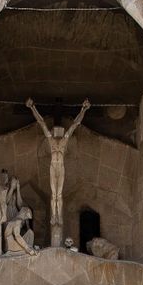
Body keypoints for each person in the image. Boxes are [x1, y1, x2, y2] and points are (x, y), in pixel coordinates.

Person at [27, 98, 90, 247]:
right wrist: (32, 107)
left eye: (59, 131)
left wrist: (83, 109)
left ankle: (58, 216)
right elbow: (42, 123)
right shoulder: (50, 141)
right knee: (54, 194)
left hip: (60, 168)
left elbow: (74, 125)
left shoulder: (63, 142)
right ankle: (53, 216)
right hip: (53, 167)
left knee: (59, 194)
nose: (58, 132)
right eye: (56, 130)